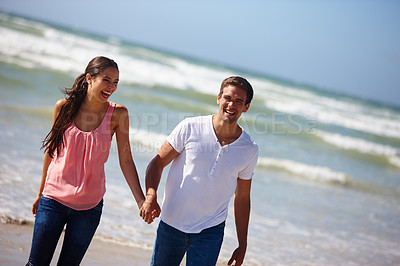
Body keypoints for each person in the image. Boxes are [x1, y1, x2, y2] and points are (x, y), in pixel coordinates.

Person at [26, 56, 147, 266]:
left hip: (89, 208)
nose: (111, 87)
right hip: (53, 199)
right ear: (90, 78)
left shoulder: (118, 114)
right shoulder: (64, 107)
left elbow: (126, 159)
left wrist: (140, 200)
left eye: (116, 82)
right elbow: (51, 151)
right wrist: (40, 193)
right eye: (107, 80)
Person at [140, 76, 259, 266]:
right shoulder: (191, 127)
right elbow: (157, 163)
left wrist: (242, 243)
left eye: (239, 101)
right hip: (172, 223)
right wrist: (151, 194)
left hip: (210, 231)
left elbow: (243, 198)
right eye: (227, 98)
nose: (231, 105)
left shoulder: (249, 149)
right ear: (218, 98)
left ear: (246, 107)